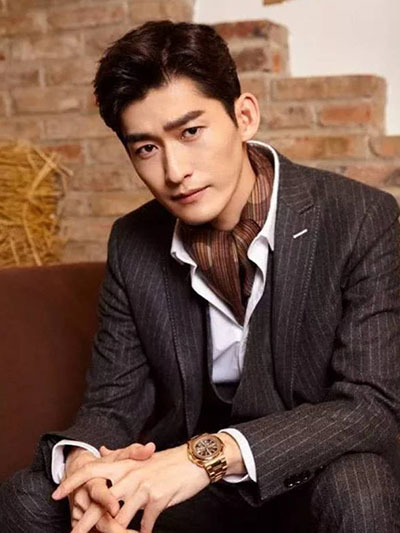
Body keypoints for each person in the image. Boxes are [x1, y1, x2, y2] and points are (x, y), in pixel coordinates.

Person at [1, 19, 399, 533]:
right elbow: (113, 403)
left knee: (360, 486)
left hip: (311, 472)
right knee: (32, 499)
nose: (174, 171)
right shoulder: (132, 240)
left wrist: (204, 456)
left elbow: (371, 406)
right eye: (146, 148)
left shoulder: (361, 217)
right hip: (193, 491)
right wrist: (85, 465)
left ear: (244, 116)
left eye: (190, 132)